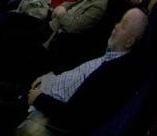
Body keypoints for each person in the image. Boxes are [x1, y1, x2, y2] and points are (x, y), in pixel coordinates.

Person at [16, 8, 149, 135]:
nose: (116, 26)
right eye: (119, 21)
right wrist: (52, 75)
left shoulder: (114, 74)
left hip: (44, 110)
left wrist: (39, 99)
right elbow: (77, 69)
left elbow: (75, 116)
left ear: (129, 42)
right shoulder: (110, 53)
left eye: (123, 25)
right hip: (45, 87)